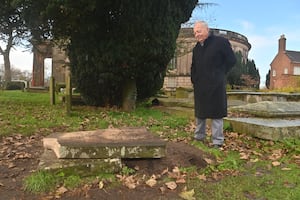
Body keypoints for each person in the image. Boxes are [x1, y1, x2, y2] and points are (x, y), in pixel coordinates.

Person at [191, 21, 236, 148]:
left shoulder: (220, 42)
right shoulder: (196, 48)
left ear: (207, 30)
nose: (197, 35)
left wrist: (220, 74)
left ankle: (217, 141)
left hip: (216, 84)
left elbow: (231, 60)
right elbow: (193, 66)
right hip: (200, 85)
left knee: (217, 113)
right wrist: (194, 79)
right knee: (200, 112)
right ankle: (199, 137)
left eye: (199, 31)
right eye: (195, 33)